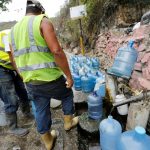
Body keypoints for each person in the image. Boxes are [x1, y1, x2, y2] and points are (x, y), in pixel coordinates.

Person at [9, 0, 78, 149]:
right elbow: (57, 51)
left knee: (40, 108)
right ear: (40, 10)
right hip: (50, 78)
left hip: (30, 81)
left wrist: (23, 76)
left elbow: (14, 57)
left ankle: (47, 140)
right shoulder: (43, 22)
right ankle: (68, 122)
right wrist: (69, 76)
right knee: (67, 94)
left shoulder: (13, 30)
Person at [0, 30, 30, 136]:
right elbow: (12, 58)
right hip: (1, 69)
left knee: (22, 90)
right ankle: (12, 128)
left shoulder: (24, 37)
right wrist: (21, 74)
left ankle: (27, 112)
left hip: (10, 66)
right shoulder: (10, 36)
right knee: (10, 98)